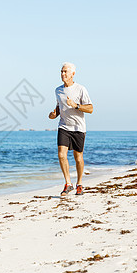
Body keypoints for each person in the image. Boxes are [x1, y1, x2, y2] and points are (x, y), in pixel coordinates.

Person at [49, 62, 93, 196]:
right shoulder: (58, 90)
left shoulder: (81, 89)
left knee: (78, 157)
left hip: (78, 127)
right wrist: (54, 114)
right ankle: (68, 184)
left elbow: (90, 108)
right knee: (61, 155)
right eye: (61, 72)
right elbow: (58, 107)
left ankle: (79, 184)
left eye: (65, 72)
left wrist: (76, 105)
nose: (63, 74)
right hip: (63, 126)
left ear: (73, 74)